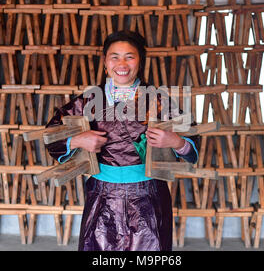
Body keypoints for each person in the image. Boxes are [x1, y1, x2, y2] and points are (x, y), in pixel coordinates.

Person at [45, 30, 198, 251]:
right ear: (106, 63)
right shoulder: (90, 100)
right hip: (102, 197)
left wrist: (175, 141)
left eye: (130, 56)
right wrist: (77, 141)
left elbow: (192, 143)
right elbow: (53, 134)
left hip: (149, 197)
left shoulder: (157, 100)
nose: (122, 63)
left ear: (140, 61)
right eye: (114, 56)